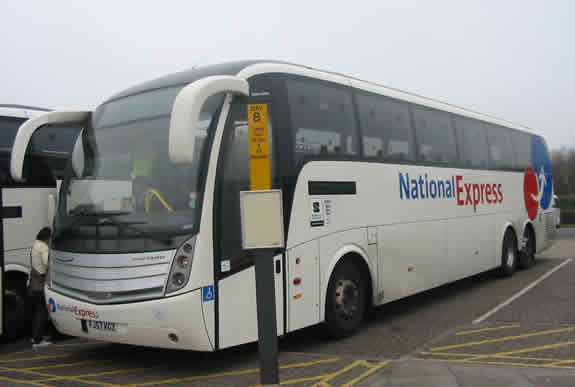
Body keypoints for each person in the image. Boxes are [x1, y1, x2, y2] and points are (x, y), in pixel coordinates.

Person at [28, 227, 53, 347]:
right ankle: (38, 340)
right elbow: (47, 263)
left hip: (33, 283)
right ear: (47, 238)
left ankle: (35, 337)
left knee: (37, 311)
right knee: (42, 312)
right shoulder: (43, 247)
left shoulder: (35, 245)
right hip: (40, 284)